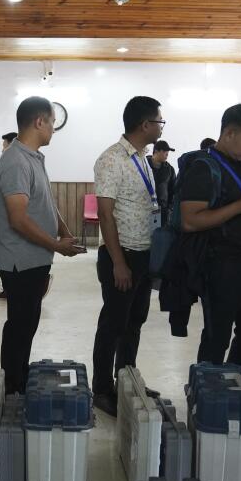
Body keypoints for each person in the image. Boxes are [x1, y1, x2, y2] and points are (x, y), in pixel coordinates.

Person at [0, 96, 83, 394]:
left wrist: (64, 231)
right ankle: (13, 386)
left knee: (28, 320)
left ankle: (19, 374)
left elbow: (45, 204)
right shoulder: (16, 161)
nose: (54, 129)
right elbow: (18, 219)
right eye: (53, 123)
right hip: (20, 259)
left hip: (35, 257)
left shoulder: (33, 157)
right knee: (20, 322)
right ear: (39, 122)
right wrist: (57, 245)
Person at [180, 104, 241, 370]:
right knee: (217, 336)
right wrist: (239, 207)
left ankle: (234, 382)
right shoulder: (203, 168)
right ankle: (207, 392)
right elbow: (189, 221)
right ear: (229, 133)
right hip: (220, 263)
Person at [91, 96, 165, 416]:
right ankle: (102, 389)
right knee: (113, 324)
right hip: (121, 256)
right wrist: (119, 262)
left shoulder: (143, 158)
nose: (162, 127)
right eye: (160, 122)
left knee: (135, 321)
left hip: (144, 253)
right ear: (145, 125)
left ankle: (127, 378)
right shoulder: (111, 159)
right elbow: (106, 216)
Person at [0, 131, 20, 300]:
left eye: (4, 145)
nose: (2, 150)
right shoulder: (7, 162)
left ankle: (9, 289)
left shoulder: (14, 163)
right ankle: (7, 288)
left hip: (12, 232)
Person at [148, 140, 177, 227]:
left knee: (158, 237)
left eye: (167, 152)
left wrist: (169, 209)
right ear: (156, 151)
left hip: (162, 212)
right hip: (143, 209)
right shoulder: (143, 165)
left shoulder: (170, 170)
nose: (167, 154)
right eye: (165, 151)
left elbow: (174, 190)